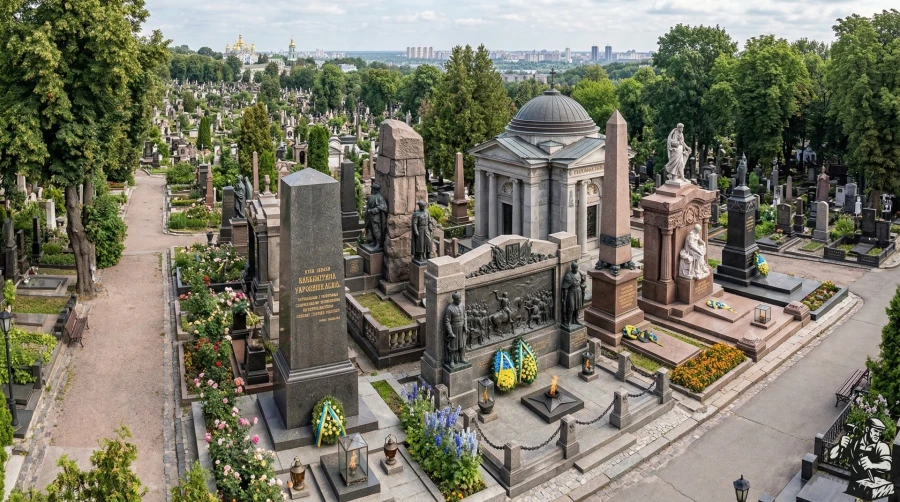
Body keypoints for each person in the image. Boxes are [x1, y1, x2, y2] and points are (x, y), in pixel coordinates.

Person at [830, 417, 893, 498]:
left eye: (880, 432)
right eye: (875, 431)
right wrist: (839, 445)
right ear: (867, 429)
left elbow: (888, 465)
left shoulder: (882, 446)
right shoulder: (855, 443)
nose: (878, 434)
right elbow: (832, 456)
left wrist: (872, 465)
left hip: (873, 491)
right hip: (853, 487)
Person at [443, 292, 468, 366]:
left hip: (462, 327)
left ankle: (462, 358)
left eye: (460, 299)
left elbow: (465, 316)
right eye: (458, 300)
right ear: (454, 300)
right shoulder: (449, 308)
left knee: (462, 344)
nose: (460, 301)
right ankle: (452, 360)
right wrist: (450, 332)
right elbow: (447, 322)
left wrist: (465, 326)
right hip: (454, 328)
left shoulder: (462, 305)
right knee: (453, 345)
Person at [560, 262, 586, 328]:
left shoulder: (579, 274)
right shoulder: (568, 276)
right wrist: (565, 298)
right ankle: (569, 321)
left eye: (577, 268)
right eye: (575, 268)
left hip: (578, 292)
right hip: (571, 293)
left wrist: (583, 286)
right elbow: (565, 288)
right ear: (572, 268)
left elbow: (583, 283)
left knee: (578, 307)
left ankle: (576, 319)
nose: (576, 269)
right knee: (571, 308)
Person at [363, 183, 388, 250]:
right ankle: (374, 241)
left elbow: (383, 207)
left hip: (376, 217)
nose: (372, 190)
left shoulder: (380, 198)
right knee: (371, 228)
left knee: (376, 230)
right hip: (370, 216)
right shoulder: (372, 196)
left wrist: (372, 210)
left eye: (373, 189)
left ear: (375, 190)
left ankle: (379, 243)